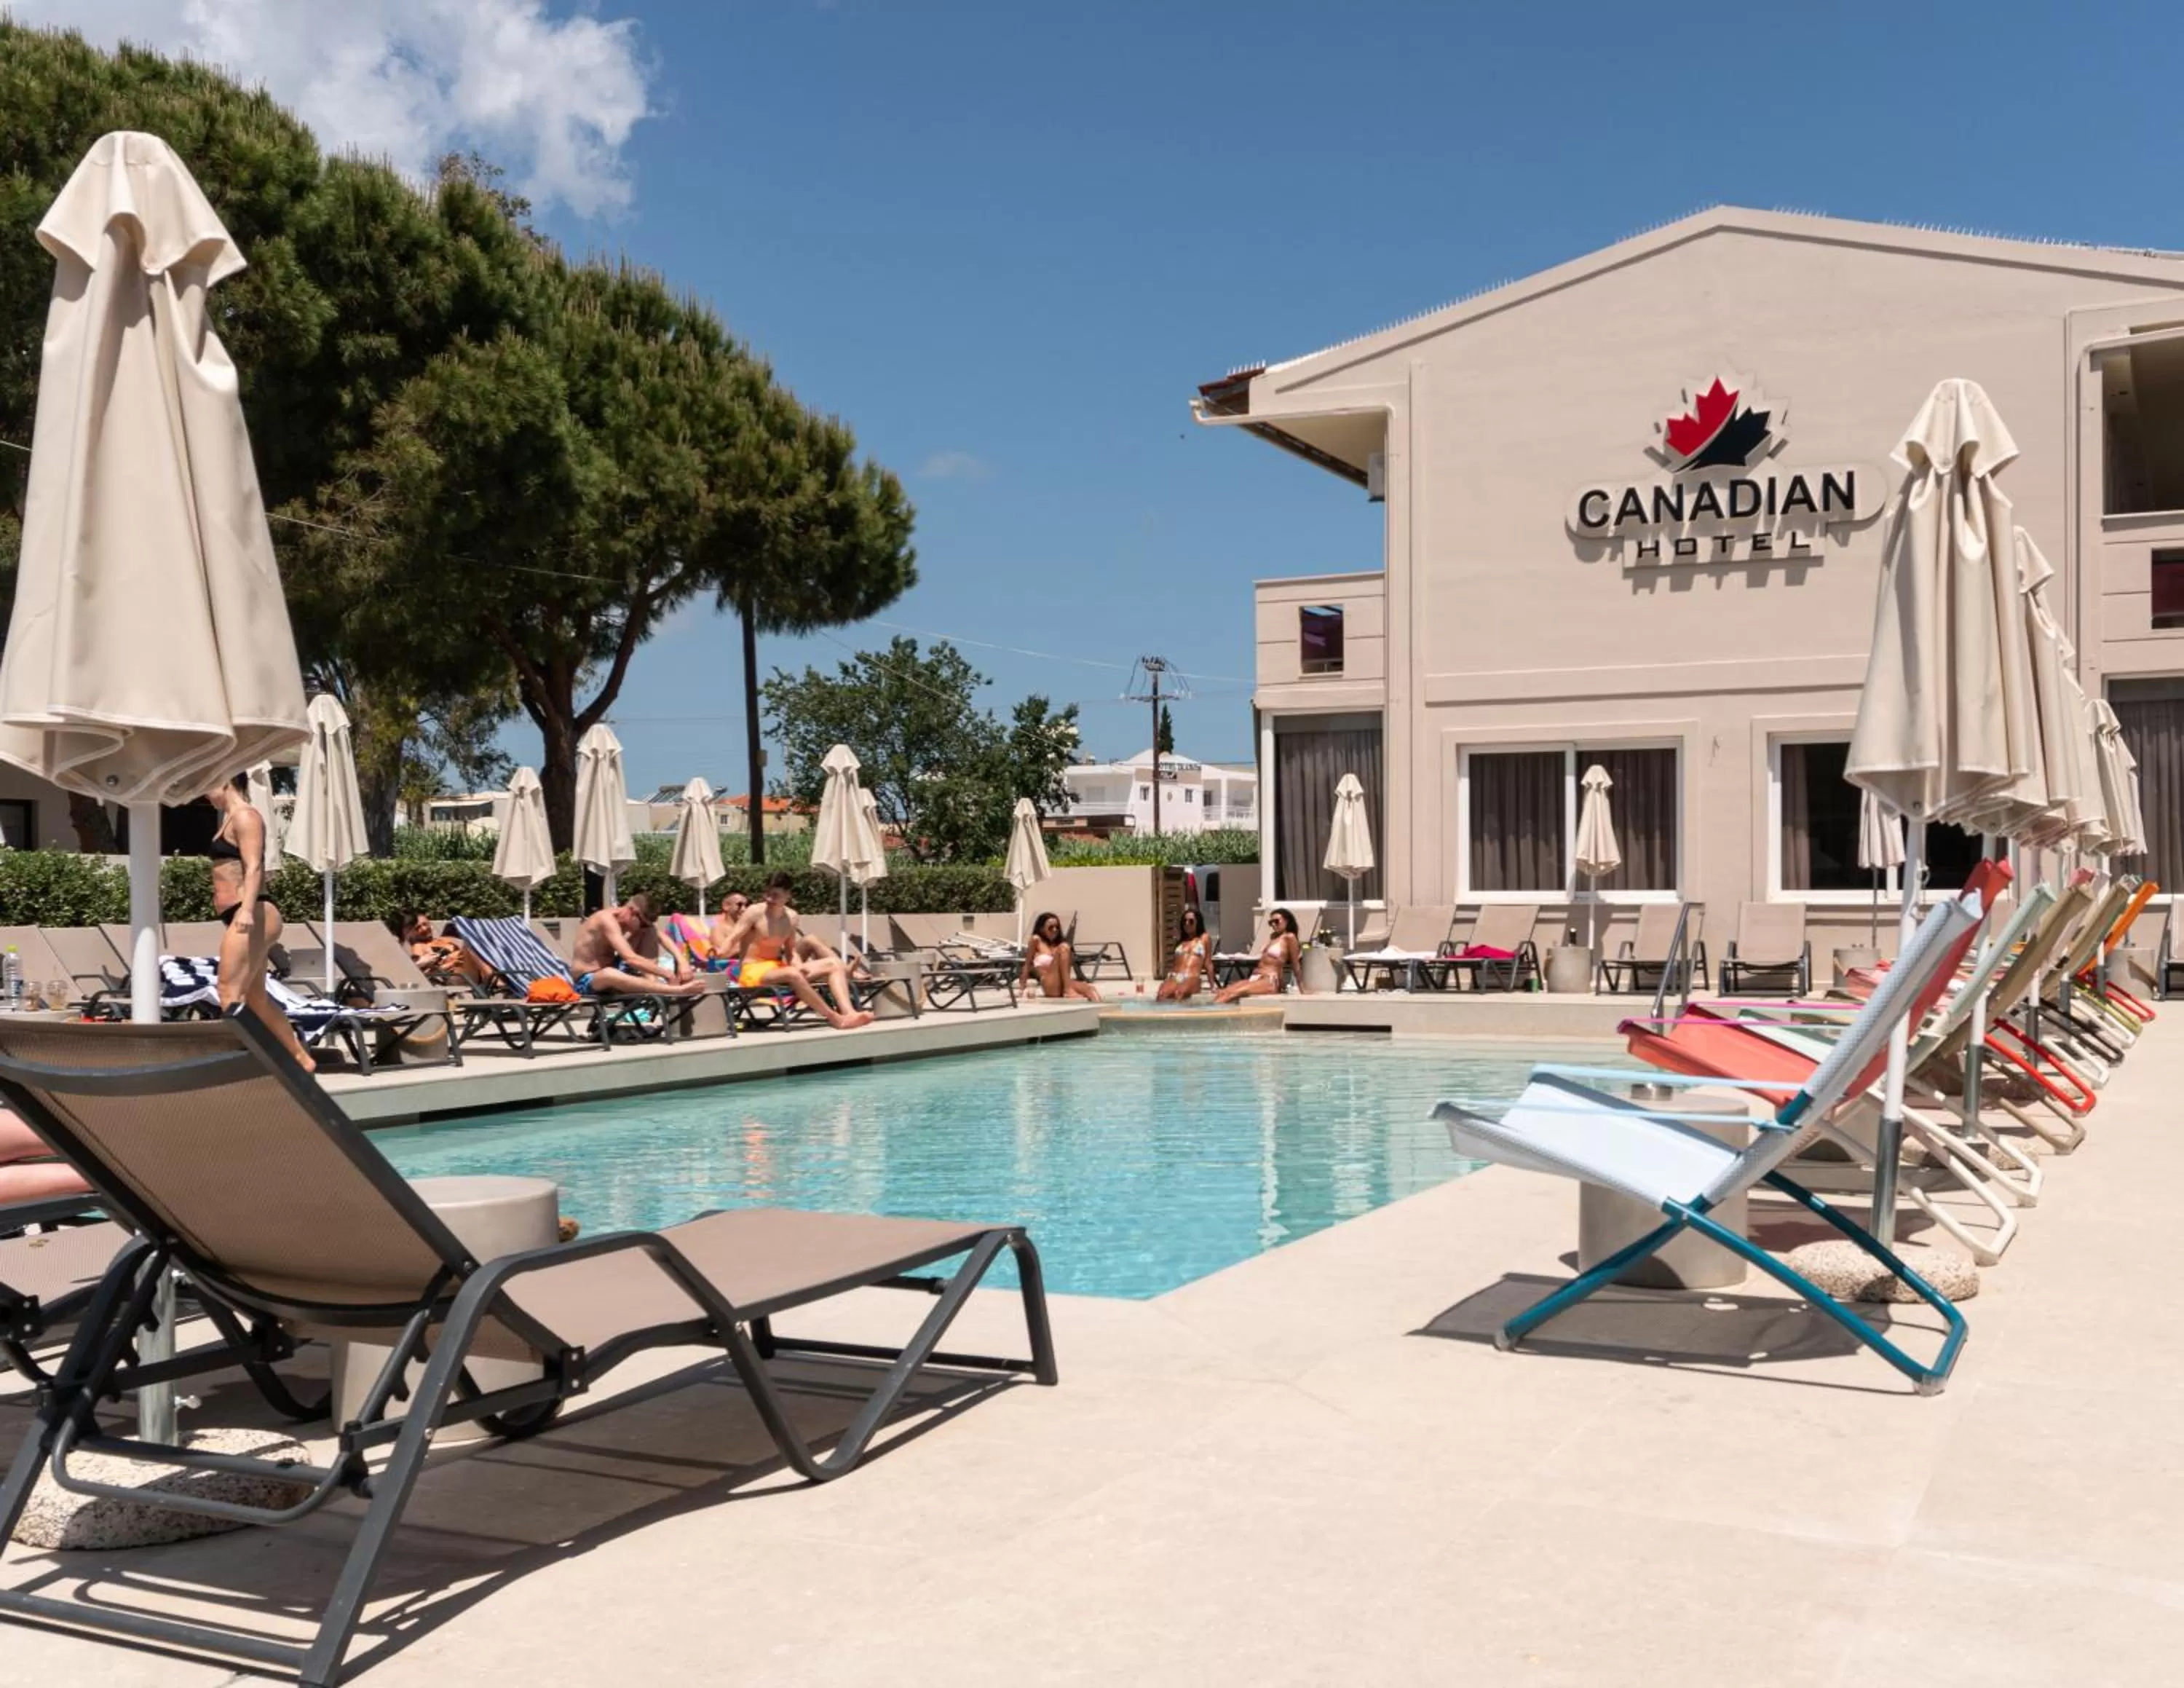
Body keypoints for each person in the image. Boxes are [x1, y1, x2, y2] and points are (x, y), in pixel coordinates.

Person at [205, 773, 315, 1072]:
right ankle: (299, 1059)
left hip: (252, 912)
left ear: (226, 779)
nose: (204, 791)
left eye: (208, 783)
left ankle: (252, 1064)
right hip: (244, 913)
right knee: (256, 998)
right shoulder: (228, 820)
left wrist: (245, 911)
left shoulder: (246, 817)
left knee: (228, 993)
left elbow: (254, 867)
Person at [719, 873, 875, 1030]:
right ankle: (834, 1018)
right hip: (752, 971)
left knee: (834, 963)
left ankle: (849, 1013)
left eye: (775, 895)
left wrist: (799, 965)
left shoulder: (792, 917)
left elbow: (791, 950)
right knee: (792, 974)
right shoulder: (754, 912)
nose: (769, 899)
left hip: (777, 968)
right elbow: (733, 937)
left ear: (788, 895)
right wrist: (721, 951)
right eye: (767, 893)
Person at [568, 893, 707, 999]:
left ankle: (651, 984)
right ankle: (674, 991)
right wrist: (667, 974)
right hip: (587, 980)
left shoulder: (636, 924)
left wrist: (683, 962)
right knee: (609, 974)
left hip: (614, 969)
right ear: (631, 911)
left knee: (651, 932)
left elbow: (663, 938)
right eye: (643, 923)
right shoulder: (605, 920)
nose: (644, 927)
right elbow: (630, 959)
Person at [1214, 907, 1305, 1003]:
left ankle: (1211, 1015)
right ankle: (1210, 1015)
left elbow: (1296, 965)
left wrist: (1302, 989)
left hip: (1269, 980)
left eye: (1276, 921)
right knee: (1224, 992)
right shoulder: (1273, 937)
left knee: (1234, 993)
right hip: (1256, 977)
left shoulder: (1290, 938)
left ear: (1287, 921)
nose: (1273, 924)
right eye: (1271, 922)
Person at [387, 910, 496, 990]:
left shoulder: (443, 939)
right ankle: (494, 981)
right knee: (470, 944)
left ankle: (497, 979)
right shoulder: (418, 946)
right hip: (456, 978)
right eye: (416, 928)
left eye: (425, 924)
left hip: (470, 972)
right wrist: (450, 963)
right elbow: (428, 974)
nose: (424, 929)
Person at [1021, 912, 1101, 1002]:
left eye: (1057, 927)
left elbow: (1067, 968)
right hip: (1049, 984)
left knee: (1090, 989)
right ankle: (1068, 990)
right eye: (1051, 928)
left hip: (1064, 982)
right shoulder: (1036, 940)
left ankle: (1101, 1013)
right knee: (1064, 947)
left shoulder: (1059, 944)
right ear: (1041, 929)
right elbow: (1027, 964)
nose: (1055, 930)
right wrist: (1022, 988)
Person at [1157, 907, 1214, 1001]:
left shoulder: (1204, 938)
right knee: (1161, 994)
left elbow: (1208, 963)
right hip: (1176, 976)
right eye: (1185, 921)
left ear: (1198, 923)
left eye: (1191, 921)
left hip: (1192, 977)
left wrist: (1213, 986)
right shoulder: (1180, 942)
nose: (1187, 924)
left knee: (1179, 993)